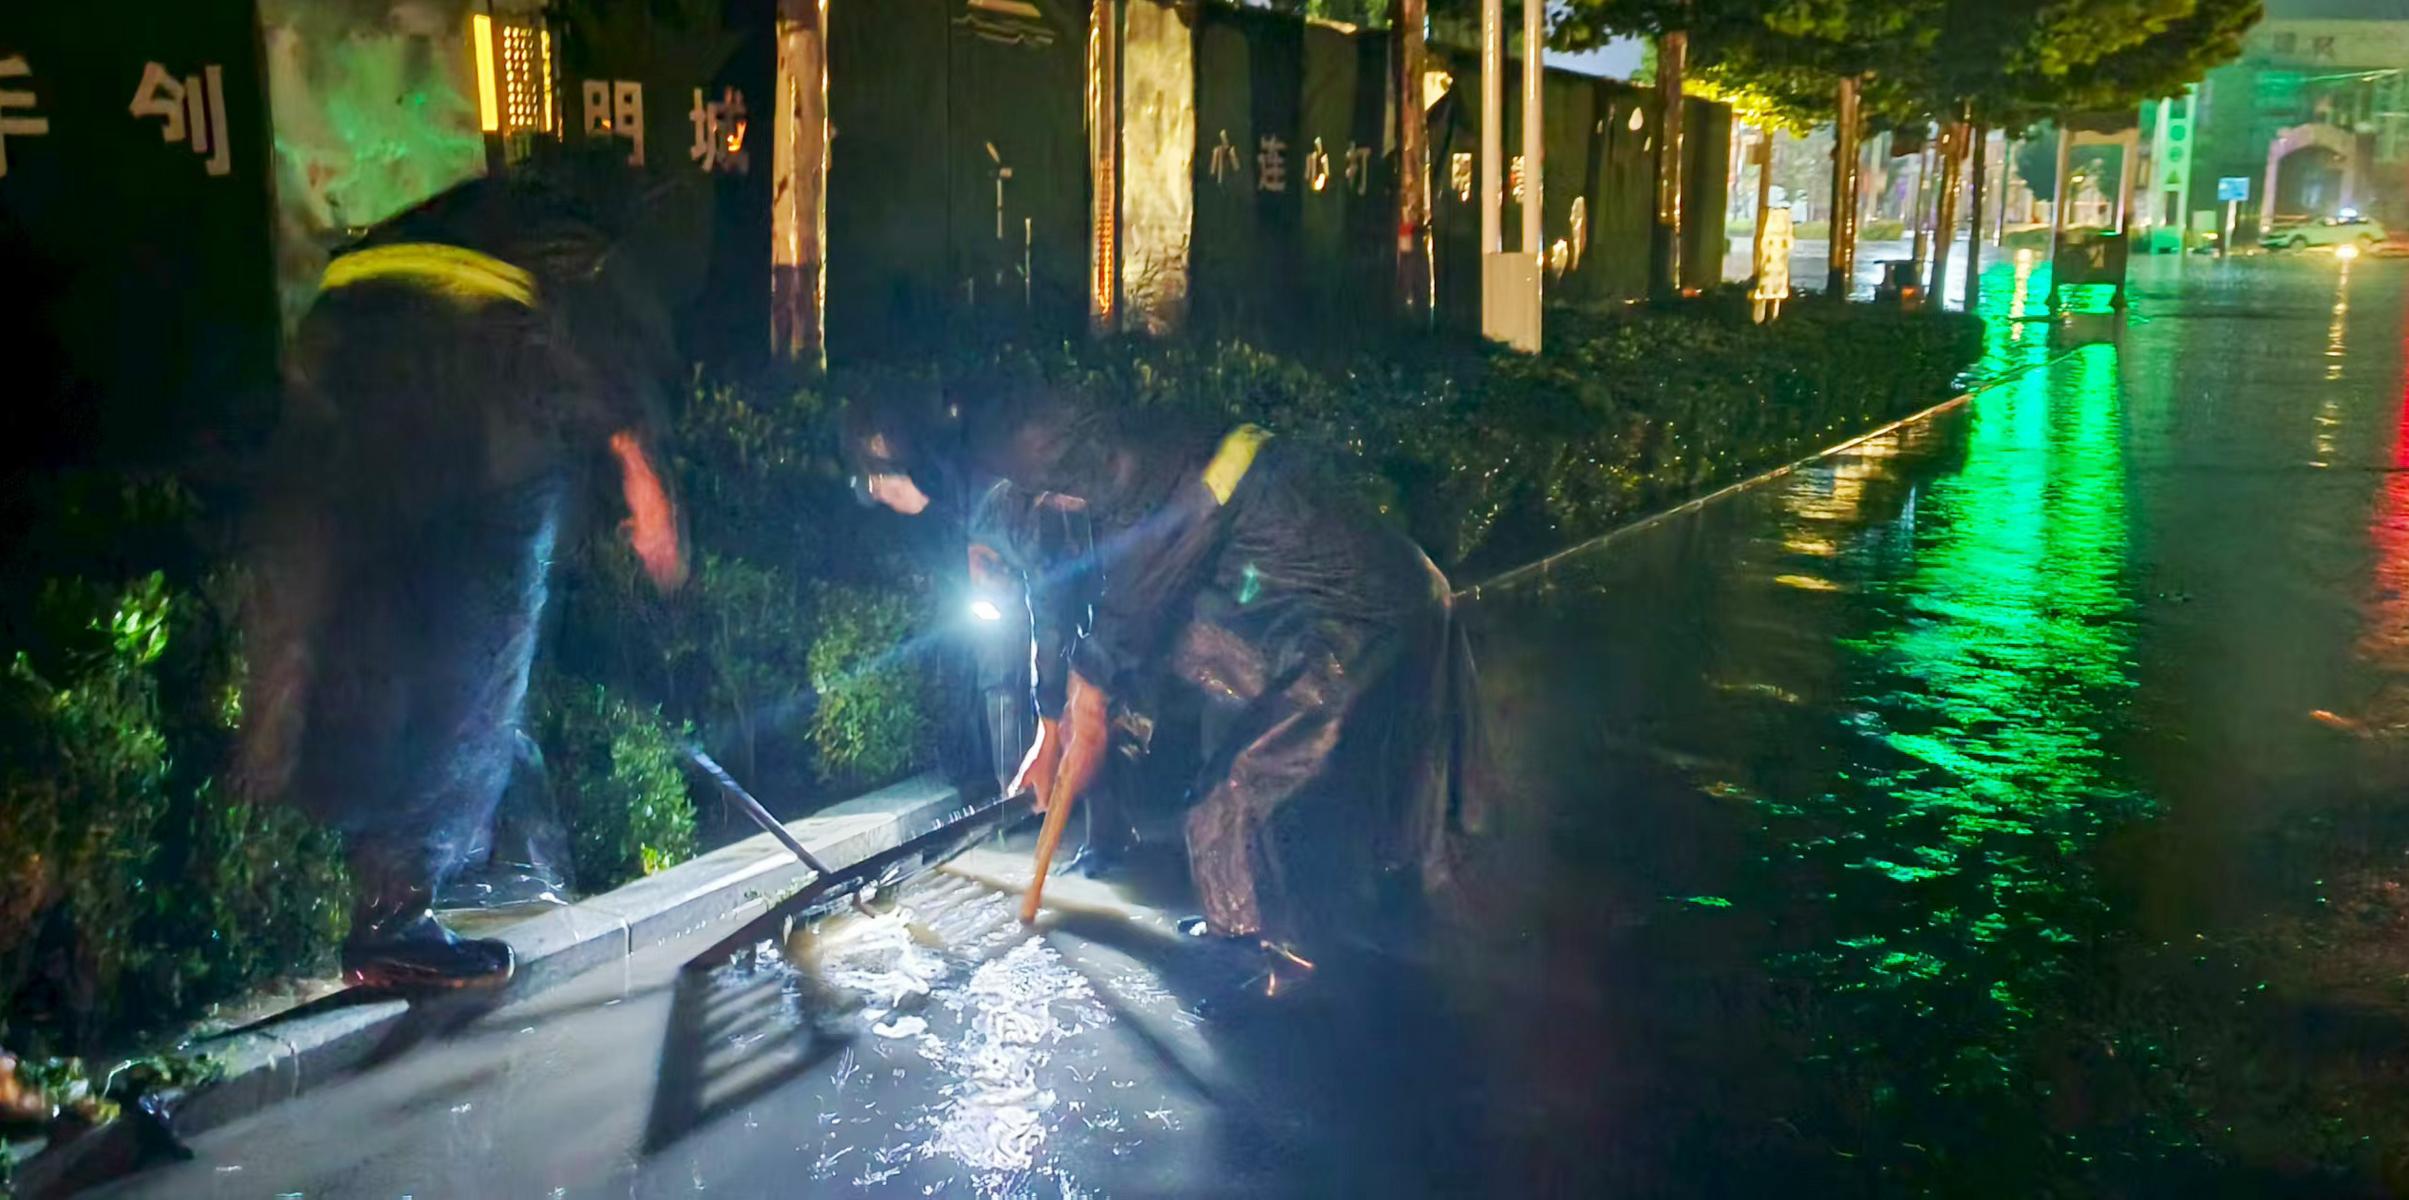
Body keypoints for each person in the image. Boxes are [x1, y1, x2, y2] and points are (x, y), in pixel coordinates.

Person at [844, 381, 1483, 986]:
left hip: (1353, 615)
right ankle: (1347, 927)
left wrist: (1092, 698)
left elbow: (1127, 588)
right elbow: (1060, 591)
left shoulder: (1132, 488)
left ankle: (1270, 970)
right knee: (1333, 795)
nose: (880, 496)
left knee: (1233, 795)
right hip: (1330, 607)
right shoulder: (1036, 476)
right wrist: (1052, 718)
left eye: (877, 480)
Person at [238, 158, 690, 991]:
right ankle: (394, 917)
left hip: (343, 365)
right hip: (469, 386)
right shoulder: (583, 251)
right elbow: (595, 357)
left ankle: (326, 863)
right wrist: (641, 476)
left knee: (369, 629)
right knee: (478, 654)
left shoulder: (471, 213)